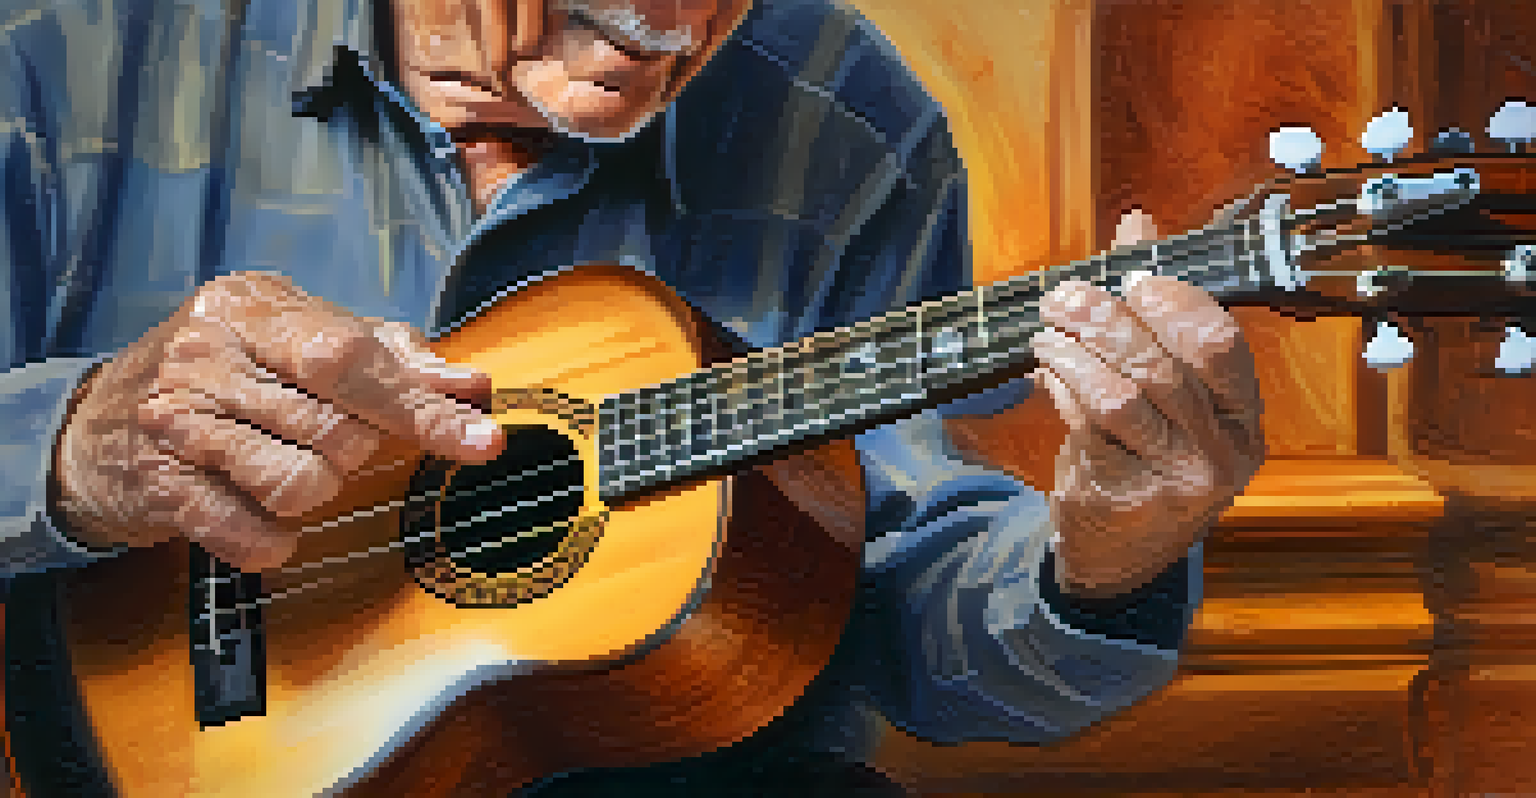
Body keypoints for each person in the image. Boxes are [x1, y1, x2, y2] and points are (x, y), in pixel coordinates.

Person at [0, 0, 1265, 794]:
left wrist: (1103, 559)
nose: (681, 15)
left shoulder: (840, 111)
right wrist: (70, 449)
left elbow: (882, 593)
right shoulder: (68, 57)